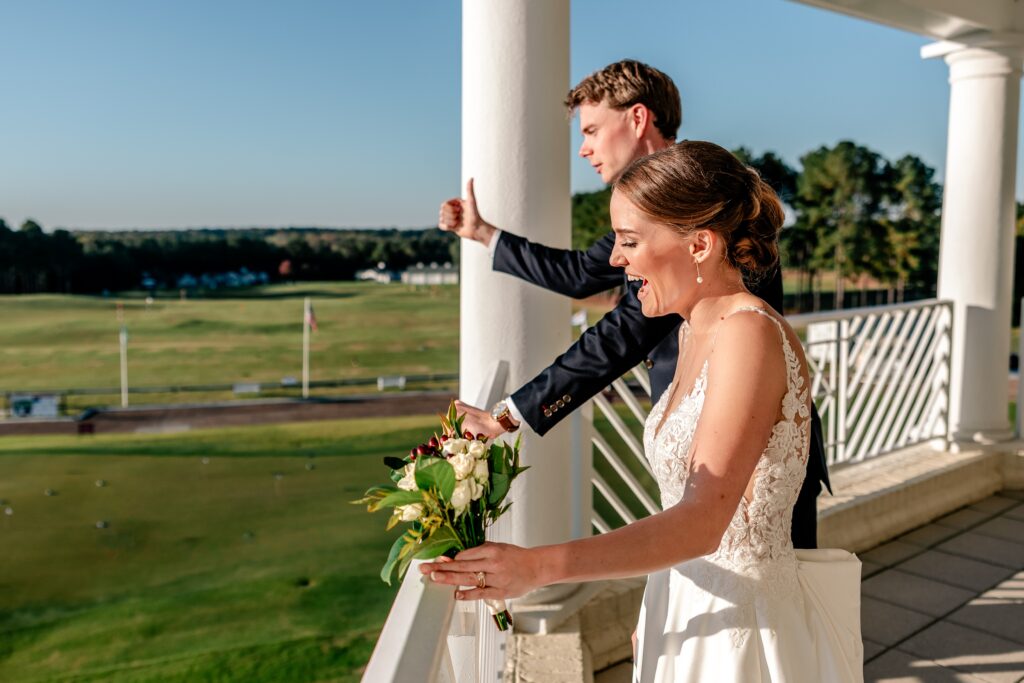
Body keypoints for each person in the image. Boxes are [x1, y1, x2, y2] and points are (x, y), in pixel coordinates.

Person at [424, 141, 863, 682]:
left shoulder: (747, 334)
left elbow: (703, 522)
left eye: (629, 241)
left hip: (743, 636)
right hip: (686, 604)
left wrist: (536, 567)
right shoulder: (690, 329)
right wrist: (663, 600)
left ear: (700, 244)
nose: (614, 260)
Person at [439, 59, 828, 549]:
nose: (584, 148)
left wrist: (510, 414)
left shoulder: (708, 202)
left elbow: (623, 333)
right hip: (692, 459)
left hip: (755, 468)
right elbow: (581, 273)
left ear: (638, 118)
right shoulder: (653, 207)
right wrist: (483, 234)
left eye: (593, 129)